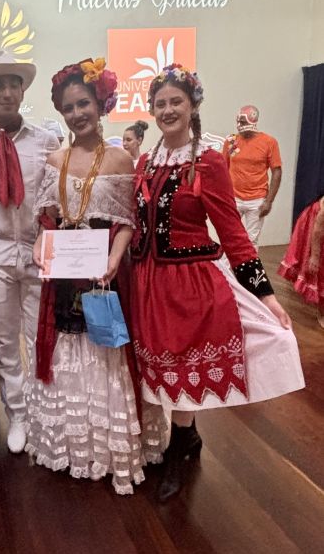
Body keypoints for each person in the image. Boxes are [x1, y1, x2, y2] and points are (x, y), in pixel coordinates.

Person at [129, 63, 305, 502]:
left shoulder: (208, 162)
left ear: (193, 106)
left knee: (183, 364)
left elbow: (233, 234)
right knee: (161, 367)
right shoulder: (146, 162)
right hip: (149, 282)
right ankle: (186, 439)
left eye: (176, 101)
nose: (167, 110)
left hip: (189, 283)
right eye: (160, 103)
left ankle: (179, 447)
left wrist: (267, 296)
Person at [26, 58, 164, 495]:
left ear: (100, 104)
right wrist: (39, 243)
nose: (77, 114)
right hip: (65, 275)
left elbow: (127, 222)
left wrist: (114, 258)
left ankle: (109, 448)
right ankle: (71, 446)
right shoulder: (55, 159)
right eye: (68, 108)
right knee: (66, 344)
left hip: (105, 274)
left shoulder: (121, 159)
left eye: (83, 104)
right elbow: (48, 219)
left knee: (105, 347)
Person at [0, 51, 60, 453]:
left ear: (22, 91)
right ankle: (16, 413)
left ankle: (42, 409)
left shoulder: (46, 141)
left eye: (12, 85)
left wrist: (48, 237)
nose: (6, 93)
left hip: (39, 251)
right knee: (4, 341)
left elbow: (55, 198)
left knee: (40, 336)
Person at [222, 105, 282, 247]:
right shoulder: (231, 140)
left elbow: (277, 171)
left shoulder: (269, 142)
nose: (239, 125)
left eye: (242, 122)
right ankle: (225, 263)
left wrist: (269, 201)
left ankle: (248, 263)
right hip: (234, 197)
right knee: (229, 236)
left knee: (251, 240)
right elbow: (223, 168)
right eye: (238, 121)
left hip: (257, 199)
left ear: (253, 120)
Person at [279, 194, 324, 328]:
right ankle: (322, 313)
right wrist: (314, 256)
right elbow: (317, 231)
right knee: (320, 270)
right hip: (314, 226)